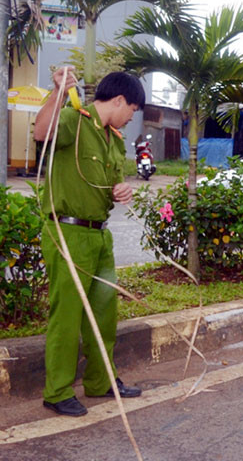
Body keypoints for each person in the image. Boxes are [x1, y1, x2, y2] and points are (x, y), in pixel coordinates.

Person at [34, 68, 145, 417]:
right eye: (133, 110)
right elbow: (41, 131)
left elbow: (111, 186)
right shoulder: (72, 119)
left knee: (103, 313)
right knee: (67, 315)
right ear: (118, 100)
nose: (131, 118)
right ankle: (57, 391)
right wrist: (57, 92)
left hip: (100, 234)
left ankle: (101, 381)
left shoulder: (113, 139)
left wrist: (121, 189)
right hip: (68, 233)